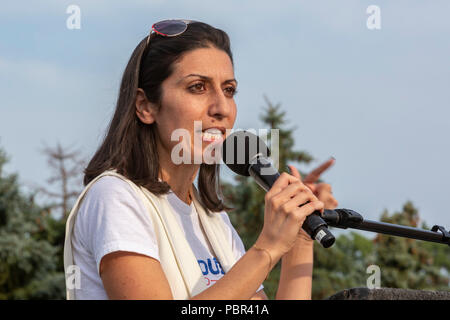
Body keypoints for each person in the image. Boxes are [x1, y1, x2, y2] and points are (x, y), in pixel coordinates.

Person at [63, 19, 338, 300]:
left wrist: (300, 238)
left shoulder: (213, 219)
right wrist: (266, 249)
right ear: (145, 106)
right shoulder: (116, 197)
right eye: (198, 87)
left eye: (229, 90)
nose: (221, 108)